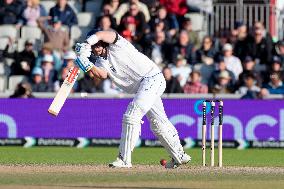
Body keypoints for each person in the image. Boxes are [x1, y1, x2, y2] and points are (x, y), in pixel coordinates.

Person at [74, 29, 191, 168]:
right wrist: (86, 64)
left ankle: (124, 159)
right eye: (94, 47)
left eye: (97, 44)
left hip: (151, 78)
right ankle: (180, 156)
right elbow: (101, 74)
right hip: (143, 87)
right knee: (158, 123)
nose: (96, 48)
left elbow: (104, 34)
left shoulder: (117, 44)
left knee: (131, 115)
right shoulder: (101, 61)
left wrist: (87, 43)